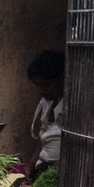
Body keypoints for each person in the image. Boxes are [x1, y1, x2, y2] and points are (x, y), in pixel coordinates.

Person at [27, 49, 66, 177]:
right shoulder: (46, 102)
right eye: (37, 85)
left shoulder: (72, 105)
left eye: (46, 84)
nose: (41, 90)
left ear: (61, 79)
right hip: (43, 170)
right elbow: (43, 135)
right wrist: (32, 163)